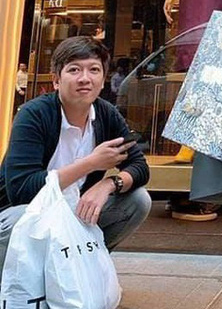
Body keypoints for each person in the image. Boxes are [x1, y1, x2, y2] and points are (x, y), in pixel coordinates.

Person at [0, 36, 152, 285]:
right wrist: (91, 163)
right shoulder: (34, 115)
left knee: (138, 200)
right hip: (20, 212)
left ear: (103, 80)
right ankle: (12, 286)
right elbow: (22, 190)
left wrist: (108, 184)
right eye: (74, 70)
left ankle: (83, 273)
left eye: (94, 70)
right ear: (56, 80)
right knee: (21, 220)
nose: (85, 78)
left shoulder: (105, 114)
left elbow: (139, 167)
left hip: (72, 211)